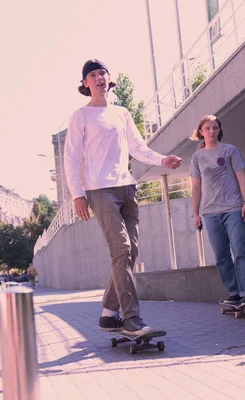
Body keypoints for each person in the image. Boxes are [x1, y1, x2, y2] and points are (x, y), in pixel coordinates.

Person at [64, 59, 182, 335]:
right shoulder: (81, 116)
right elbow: (70, 158)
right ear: (85, 83)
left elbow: (138, 147)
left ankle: (108, 313)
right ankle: (131, 317)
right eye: (92, 75)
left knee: (131, 252)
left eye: (102, 73)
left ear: (109, 78)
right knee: (121, 250)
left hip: (126, 187)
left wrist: (162, 159)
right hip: (99, 190)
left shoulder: (121, 113)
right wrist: (77, 195)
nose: (99, 78)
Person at [189, 115, 245, 306]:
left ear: (219, 130)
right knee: (221, 255)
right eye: (207, 128)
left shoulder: (230, 150)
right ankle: (233, 292)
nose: (211, 131)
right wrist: (195, 214)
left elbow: (242, 177)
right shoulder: (197, 157)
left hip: (234, 209)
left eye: (215, 128)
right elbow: (195, 187)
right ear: (201, 132)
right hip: (210, 213)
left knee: (241, 251)